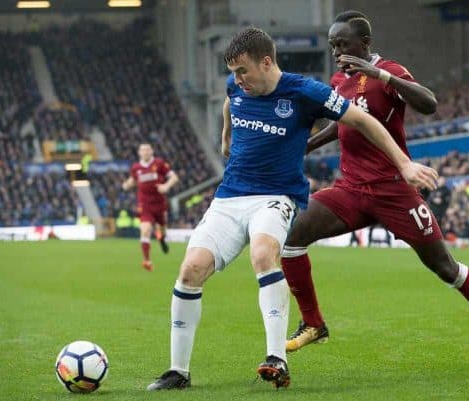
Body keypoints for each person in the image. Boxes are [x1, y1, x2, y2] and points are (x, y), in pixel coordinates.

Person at [146, 27, 439, 391]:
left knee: (264, 252)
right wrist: (225, 137)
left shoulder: (305, 92)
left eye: (243, 70)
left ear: (266, 62)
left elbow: (363, 120)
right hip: (230, 195)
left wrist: (404, 165)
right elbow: (229, 100)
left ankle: (276, 359)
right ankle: (178, 371)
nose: (237, 79)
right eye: (233, 72)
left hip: (277, 195)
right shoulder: (237, 86)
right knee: (190, 270)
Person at [281, 10, 469, 369]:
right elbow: (345, 124)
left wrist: (380, 74)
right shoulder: (339, 79)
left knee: (446, 268)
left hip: (393, 190)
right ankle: (313, 323)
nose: (337, 51)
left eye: (343, 43)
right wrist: (307, 146)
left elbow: (429, 104)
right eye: (332, 45)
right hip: (351, 189)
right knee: (292, 238)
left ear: (365, 43)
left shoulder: (390, 71)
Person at [122, 143, 179, 271]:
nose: (146, 152)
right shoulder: (136, 167)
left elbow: (174, 177)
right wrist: (125, 185)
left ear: (152, 151)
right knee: (145, 230)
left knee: (162, 230)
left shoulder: (159, 163)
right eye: (143, 150)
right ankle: (147, 260)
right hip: (144, 205)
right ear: (139, 153)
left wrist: (166, 186)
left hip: (159, 204)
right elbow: (132, 181)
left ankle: (162, 239)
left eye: (148, 150)